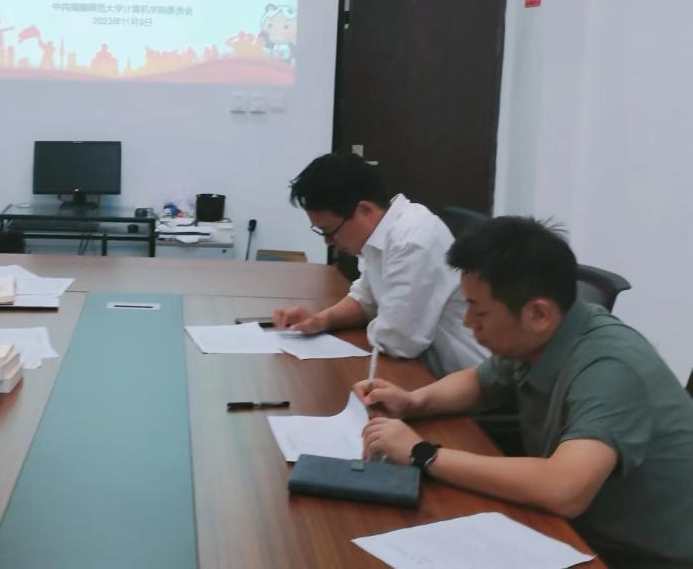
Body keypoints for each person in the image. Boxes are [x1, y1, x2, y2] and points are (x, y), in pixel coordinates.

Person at [355, 217, 693, 569]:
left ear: (538, 314)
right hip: (582, 531)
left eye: (479, 311)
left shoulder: (612, 369)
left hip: (644, 556)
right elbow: (481, 381)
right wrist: (415, 401)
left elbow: (565, 490)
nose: (468, 321)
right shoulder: (546, 333)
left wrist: (423, 453)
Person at [272, 152, 486, 377]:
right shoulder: (379, 237)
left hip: (469, 381)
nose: (328, 242)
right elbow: (366, 300)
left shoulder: (411, 241)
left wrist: (381, 323)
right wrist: (320, 320)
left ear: (364, 210)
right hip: (427, 371)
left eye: (330, 231)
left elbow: (398, 341)